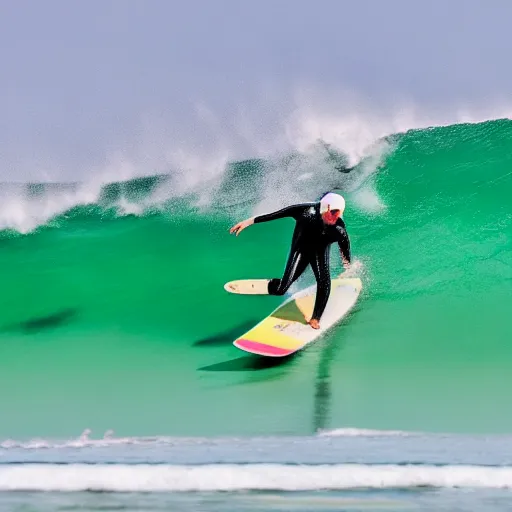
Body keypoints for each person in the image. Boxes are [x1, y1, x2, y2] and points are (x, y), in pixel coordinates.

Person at [229, 192, 351, 329]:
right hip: (300, 250)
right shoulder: (304, 211)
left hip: (319, 253)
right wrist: (247, 223)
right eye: (334, 212)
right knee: (282, 289)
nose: (337, 217)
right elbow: (274, 215)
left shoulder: (339, 229)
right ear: (326, 208)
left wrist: (347, 267)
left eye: (339, 213)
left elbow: (345, 247)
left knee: (324, 282)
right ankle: (272, 284)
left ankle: (315, 318)